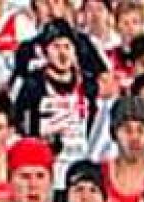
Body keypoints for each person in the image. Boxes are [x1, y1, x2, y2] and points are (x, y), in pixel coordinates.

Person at [11, 20, 100, 188]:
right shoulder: (33, 85)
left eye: (67, 47)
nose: (63, 54)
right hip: (45, 168)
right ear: (44, 52)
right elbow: (20, 124)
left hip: (81, 165)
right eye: (56, 47)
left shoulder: (88, 85)